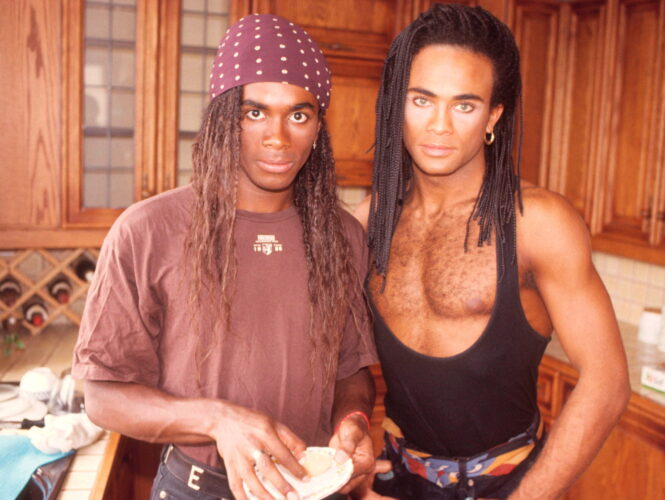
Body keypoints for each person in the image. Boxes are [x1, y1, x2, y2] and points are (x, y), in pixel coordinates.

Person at [72, 14, 378, 500]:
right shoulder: (147, 231)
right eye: (254, 113)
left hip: (312, 487)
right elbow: (103, 397)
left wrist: (353, 421)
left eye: (299, 116)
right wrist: (218, 420)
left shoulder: (343, 236)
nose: (278, 137)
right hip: (196, 488)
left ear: (319, 127)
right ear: (222, 119)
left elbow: (351, 370)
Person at [352, 4, 630, 499]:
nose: (439, 125)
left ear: (492, 116)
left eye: (464, 105)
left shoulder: (537, 223)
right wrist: (353, 456)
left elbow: (607, 382)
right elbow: (341, 363)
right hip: (396, 478)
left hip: (511, 484)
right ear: (397, 105)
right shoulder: (365, 224)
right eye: (422, 100)